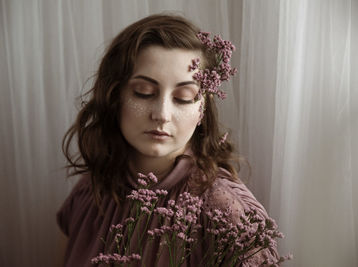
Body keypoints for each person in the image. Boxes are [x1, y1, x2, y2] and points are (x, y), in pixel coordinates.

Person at [57, 14, 287, 266]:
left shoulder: (224, 212)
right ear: (115, 95)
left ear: (202, 107)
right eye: (143, 92)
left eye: (184, 96)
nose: (162, 114)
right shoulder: (91, 190)